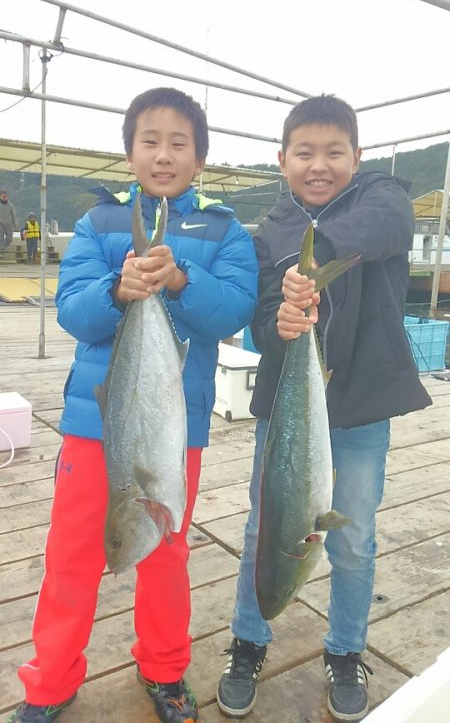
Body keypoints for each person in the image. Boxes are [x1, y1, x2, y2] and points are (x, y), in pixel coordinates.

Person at [9, 87, 258, 723]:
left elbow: (232, 312)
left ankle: (164, 669)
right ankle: (49, 682)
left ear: (200, 158)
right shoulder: (97, 224)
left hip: (174, 432)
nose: (164, 154)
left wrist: (181, 279)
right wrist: (118, 289)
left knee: (167, 555)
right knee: (71, 554)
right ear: (129, 154)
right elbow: (73, 311)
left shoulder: (226, 231)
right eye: (150, 141)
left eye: (180, 143)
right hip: (94, 426)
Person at [216, 94, 432, 722]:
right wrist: (281, 319)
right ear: (281, 159)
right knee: (264, 530)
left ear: (356, 158)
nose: (319, 165)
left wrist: (312, 256)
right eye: (304, 153)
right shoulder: (267, 233)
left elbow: (389, 226)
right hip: (288, 412)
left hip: (361, 410)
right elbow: (261, 322)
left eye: (333, 153)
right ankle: (248, 641)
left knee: (353, 538)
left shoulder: (381, 197)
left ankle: (344, 650)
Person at [0, 189, 18, 254]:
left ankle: (3, 247)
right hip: (0, 223)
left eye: (5, 196)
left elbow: (13, 215)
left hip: (8, 223)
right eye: (3, 196)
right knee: (1, 238)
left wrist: (15, 225)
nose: (4, 198)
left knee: (9, 238)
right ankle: (1, 250)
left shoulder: (10, 205)